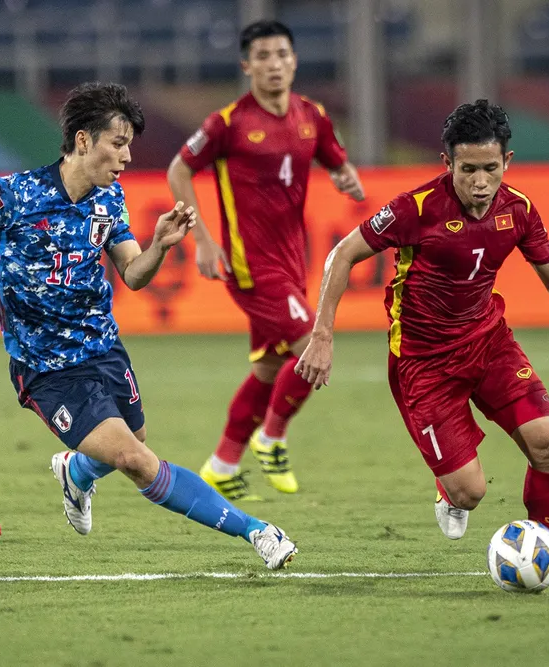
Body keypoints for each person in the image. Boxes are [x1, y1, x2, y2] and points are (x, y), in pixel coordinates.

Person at [0, 82, 297, 569]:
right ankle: (258, 532)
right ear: (83, 140)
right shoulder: (12, 195)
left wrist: (159, 246)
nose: (126, 157)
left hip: (104, 350)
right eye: (118, 143)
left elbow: (133, 274)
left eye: (129, 145)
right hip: (47, 370)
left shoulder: (109, 200)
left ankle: (76, 473)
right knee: (135, 460)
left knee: (133, 440)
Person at [296, 100, 549, 583]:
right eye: (468, 169)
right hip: (424, 363)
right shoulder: (415, 209)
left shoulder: (518, 209)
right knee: (469, 493)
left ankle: (548, 553)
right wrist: (322, 334)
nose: (480, 182)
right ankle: (447, 488)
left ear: (507, 162)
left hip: (489, 344)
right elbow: (341, 255)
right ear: (447, 163)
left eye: (490, 168)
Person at [167, 20, 365, 500]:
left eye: (281, 54)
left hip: (292, 262)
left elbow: (335, 158)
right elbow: (178, 170)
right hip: (249, 266)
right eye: (263, 56)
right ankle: (271, 436)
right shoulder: (228, 123)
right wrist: (202, 240)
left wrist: (346, 177)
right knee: (311, 348)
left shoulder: (312, 115)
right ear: (246, 65)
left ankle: (221, 464)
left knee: (269, 369)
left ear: (294, 61)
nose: (274, 64)